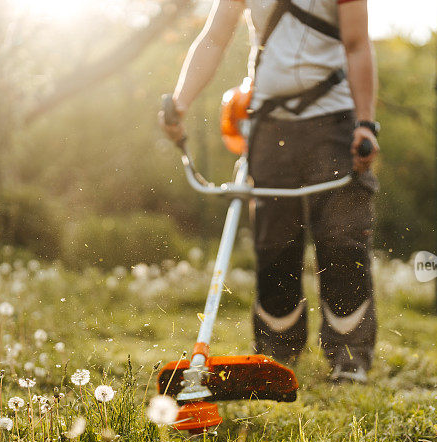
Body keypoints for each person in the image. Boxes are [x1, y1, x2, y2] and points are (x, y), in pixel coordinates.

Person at [160, 0, 380, 383]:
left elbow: (358, 44)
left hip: (333, 122)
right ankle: (277, 356)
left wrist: (366, 123)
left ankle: (349, 358)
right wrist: (179, 102)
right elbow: (214, 39)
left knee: (342, 240)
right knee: (274, 242)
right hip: (267, 124)